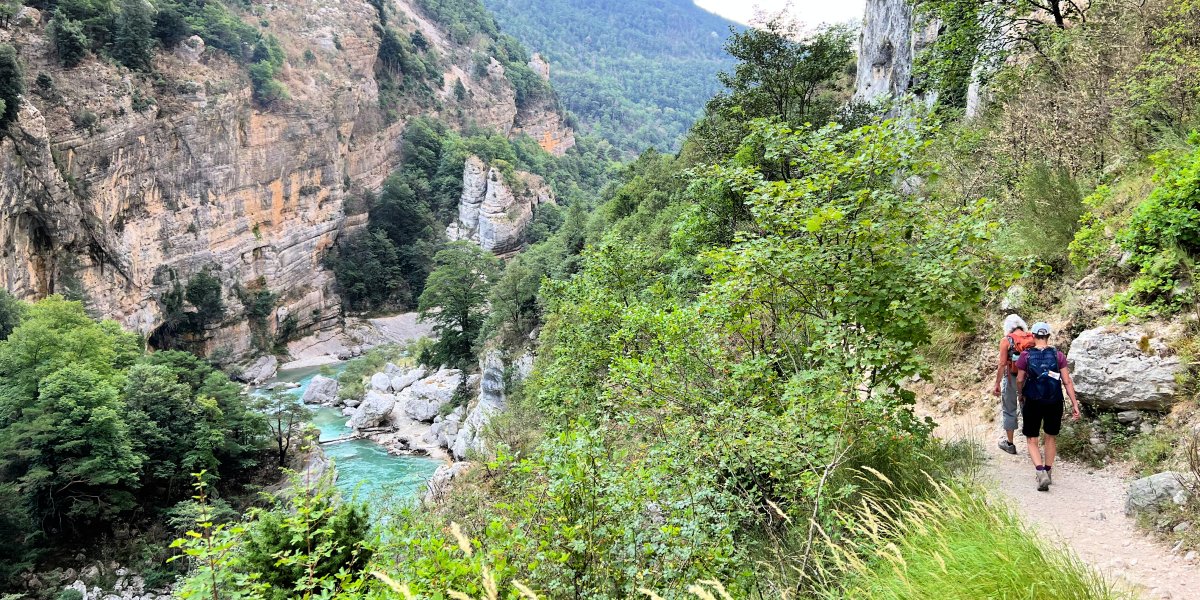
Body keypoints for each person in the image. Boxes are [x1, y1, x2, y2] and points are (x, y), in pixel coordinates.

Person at [1015, 322, 1081, 491]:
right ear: (1048, 336)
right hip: (1054, 401)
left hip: (1033, 401)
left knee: (1032, 439)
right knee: (1050, 436)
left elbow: (1020, 379)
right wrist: (1074, 404)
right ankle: (1049, 471)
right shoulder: (1058, 355)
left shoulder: (1025, 356)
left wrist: (1020, 394)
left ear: (1033, 336)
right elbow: (1066, 381)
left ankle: (1040, 471)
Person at [993, 314, 1032, 455]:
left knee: (1009, 409)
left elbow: (1002, 364)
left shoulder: (1006, 340)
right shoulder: (1031, 338)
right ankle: (1031, 444)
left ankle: (1010, 444)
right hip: (1029, 378)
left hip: (1011, 378)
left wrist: (997, 383)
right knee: (1027, 409)